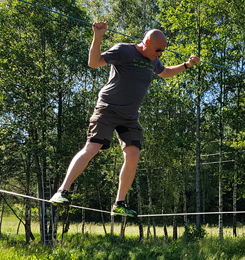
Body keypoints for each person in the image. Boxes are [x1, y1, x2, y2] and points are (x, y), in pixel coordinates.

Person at [49, 21, 200, 217]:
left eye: (162, 51)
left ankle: (119, 204)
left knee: (133, 155)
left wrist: (187, 65)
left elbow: (165, 73)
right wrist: (98, 36)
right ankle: (62, 191)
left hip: (129, 117)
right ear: (145, 42)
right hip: (107, 109)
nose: (160, 54)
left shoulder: (154, 60)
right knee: (93, 147)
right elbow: (94, 63)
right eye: (157, 50)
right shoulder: (123, 51)